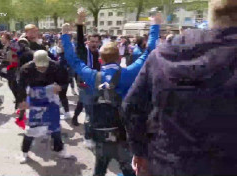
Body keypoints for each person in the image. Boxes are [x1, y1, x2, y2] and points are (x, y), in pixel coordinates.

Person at [122, 0, 237, 175]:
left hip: (167, 164)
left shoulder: (164, 52)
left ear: (211, 14)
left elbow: (131, 107)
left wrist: (139, 151)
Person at [61, 12, 161, 176]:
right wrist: (155, 25)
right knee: (128, 169)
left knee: (100, 167)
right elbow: (149, 51)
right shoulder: (129, 72)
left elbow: (74, 60)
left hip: (100, 131)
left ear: (100, 59)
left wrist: (65, 36)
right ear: (119, 57)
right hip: (124, 133)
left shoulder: (93, 75)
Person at [17, 50, 74, 163]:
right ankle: (24, 153)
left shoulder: (56, 66)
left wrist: (60, 88)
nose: (42, 69)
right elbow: (20, 86)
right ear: (34, 62)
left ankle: (60, 149)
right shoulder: (26, 68)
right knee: (32, 128)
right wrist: (22, 101)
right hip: (34, 97)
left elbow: (65, 81)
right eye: (39, 67)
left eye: (44, 67)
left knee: (55, 127)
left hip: (51, 98)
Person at [72, 11, 101, 145]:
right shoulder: (83, 51)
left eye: (96, 41)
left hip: (97, 84)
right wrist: (80, 22)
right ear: (88, 42)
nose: (94, 44)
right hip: (85, 85)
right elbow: (79, 39)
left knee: (92, 109)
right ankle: (88, 137)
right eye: (92, 41)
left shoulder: (101, 53)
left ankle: (91, 131)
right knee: (90, 111)